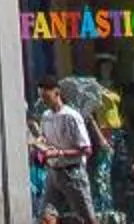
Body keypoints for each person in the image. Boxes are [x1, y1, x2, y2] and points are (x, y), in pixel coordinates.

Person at [36, 79, 98, 224]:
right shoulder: (46, 117)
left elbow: (86, 149)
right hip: (53, 173)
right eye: (41, 97)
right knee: (45, 216)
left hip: (72, 173)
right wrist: (40, 144)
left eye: (46, 97)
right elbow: (43, 138)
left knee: (87, 217)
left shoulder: (71, 116)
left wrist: (59, 153)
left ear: (57, 93)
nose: (43, 101)